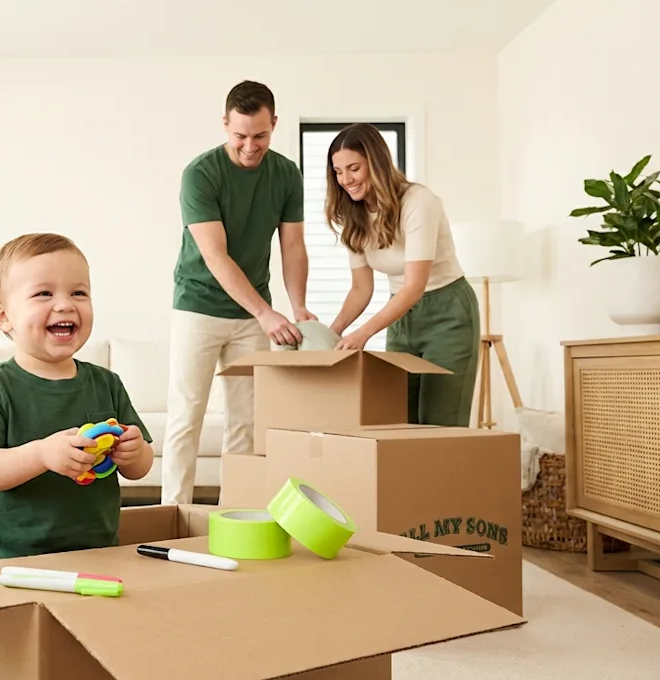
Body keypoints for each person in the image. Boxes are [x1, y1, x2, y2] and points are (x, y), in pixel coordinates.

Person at [0, 232, 155, 561]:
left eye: (79, 292)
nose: (65, 304)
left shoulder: (106, 383)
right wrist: (42, 455)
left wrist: (135, 452)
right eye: (44, 293)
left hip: (97, 551)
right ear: (3, 316)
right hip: (11, 556)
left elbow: (140, 468)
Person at [161, 79, 313, 506]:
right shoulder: (200, 174)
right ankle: (173, 513)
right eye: (240, 135)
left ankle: (237, 514)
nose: (250, 146)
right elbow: (215, 255)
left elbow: (293, 246)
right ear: (225, 124)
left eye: (260, 136)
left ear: (274, 124)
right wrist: (267, 313)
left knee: (246, 421)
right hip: (198, 308)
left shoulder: (286, 174)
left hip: (250, 316)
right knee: (187, 416)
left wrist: (298, 307)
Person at [324, 123, 479, 427]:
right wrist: (333, 333)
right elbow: (361, 289)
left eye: (354, 168)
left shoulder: (418, 202)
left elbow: (414, 285)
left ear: (377, 163)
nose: (346, 180)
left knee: (440, 422)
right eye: (338, 172)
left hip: (448, 313)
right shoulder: (354, 216)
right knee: (399, 420)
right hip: (401, 317)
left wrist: (363, 333)